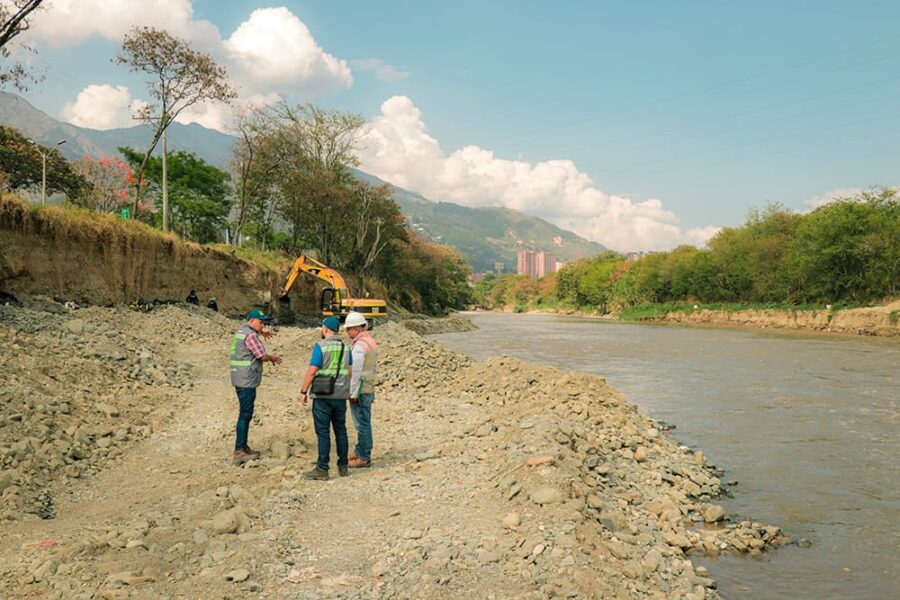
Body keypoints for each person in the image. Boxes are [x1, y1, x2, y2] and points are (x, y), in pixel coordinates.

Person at [299, 316, 352, 480]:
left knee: (323, 432)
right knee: (341, 430)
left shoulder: (320, 346)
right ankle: (343, 466)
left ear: (325, 329)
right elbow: (350, 372)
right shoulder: (346, 348)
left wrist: (303, 391)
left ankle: (322, 468)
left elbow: (312, 371)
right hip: (340, 395)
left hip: (323, 395)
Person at [230, 309, 281, 465]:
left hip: (239, 378)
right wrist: (272, 357)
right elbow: (261, 356)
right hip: (247, 380)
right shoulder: (251, 335)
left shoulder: (242, 332)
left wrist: (260, 333)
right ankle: (240, 451)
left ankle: (243, 447)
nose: (262, 325)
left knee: (245, 414)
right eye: (260, 322)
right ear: (252, 321)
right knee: (245, 415)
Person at [344, 311, 379, 468]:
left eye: (349, 329)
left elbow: (356, 371)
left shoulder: (360, 346)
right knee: (363, 421)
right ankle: (360, 451)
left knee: (361, 424)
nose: (347, 332)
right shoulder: (370, 342)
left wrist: (352, 392)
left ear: (356, 328)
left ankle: (364, 456)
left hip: (360, 389)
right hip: (367, 387)